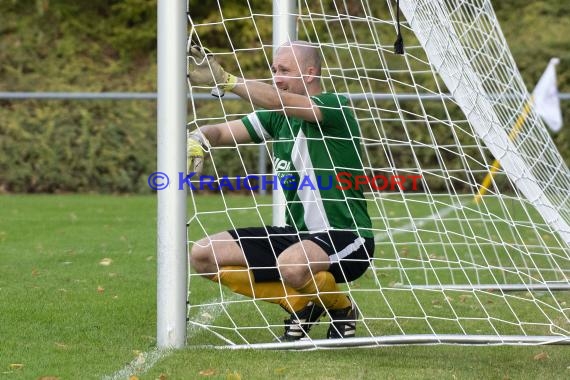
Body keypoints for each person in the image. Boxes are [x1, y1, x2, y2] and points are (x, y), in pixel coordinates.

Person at [187, 41, 374, 341]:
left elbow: (278, 101)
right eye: (274, 70)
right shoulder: (277, 119)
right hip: (296, 236)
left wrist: (226, 81)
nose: (276, 77)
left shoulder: (334, 107)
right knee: (202, 255)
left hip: (347, 235)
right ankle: (300, 305)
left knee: (292, 266)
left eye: (284, 70)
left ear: (310, 73)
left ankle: (342, 308)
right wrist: (198, 138)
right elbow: (221, 131)